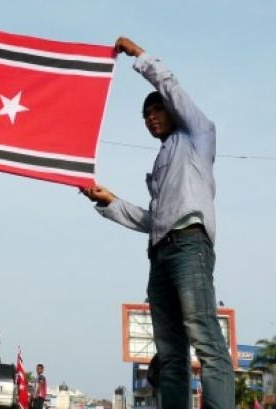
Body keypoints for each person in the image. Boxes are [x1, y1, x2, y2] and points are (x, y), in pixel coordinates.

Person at [81, 37, 234, 409]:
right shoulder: (161, 164)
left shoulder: (197, 137)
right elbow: (155, 220)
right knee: (170, 352)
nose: (151, 118)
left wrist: (140, 57)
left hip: (189, 246)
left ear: (173, 112)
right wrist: (111, 202)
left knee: (205, 339)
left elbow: (172, 88)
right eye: (145, 116)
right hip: (161, 252)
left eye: (157, 111)